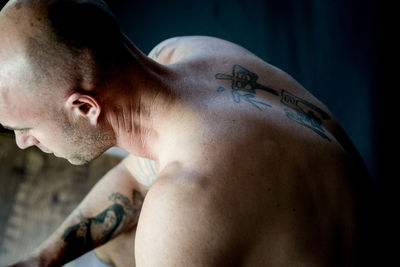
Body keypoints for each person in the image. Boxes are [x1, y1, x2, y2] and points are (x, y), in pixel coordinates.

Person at [0, 0, 377, 266]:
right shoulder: (188, 53)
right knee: (119, 243)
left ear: (85, 108)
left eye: (25, 127)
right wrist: (42, 258)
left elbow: (179, 213)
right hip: (338, 230)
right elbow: (136, 175)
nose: (22, 142)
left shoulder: (179, 215)